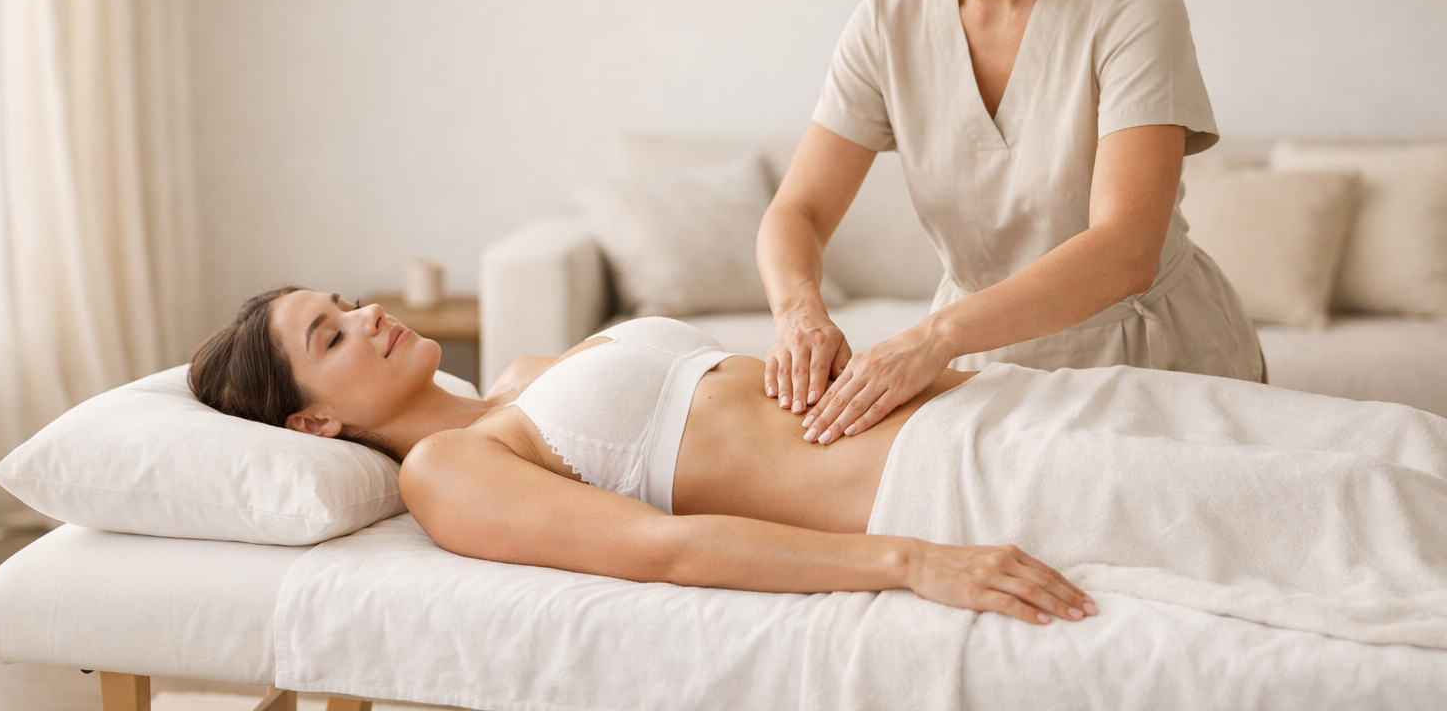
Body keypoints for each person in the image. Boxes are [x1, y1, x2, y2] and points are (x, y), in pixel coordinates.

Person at [756, 0, 1263, 447]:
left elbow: (1124, 248)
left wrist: (931, 338)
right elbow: (797, 211)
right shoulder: (886, 23)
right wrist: (797, 310)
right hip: (981, 371)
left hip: (1152, 364)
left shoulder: (1132, 4)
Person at [192, 287, 1098, 627]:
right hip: (969, 477)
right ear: (313, 425)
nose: (368, 316)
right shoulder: (449, 467)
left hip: (1005, 396)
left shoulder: (523, 376)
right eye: (331, 335)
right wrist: (910, 562)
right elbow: (669, 549)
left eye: (346, 303)